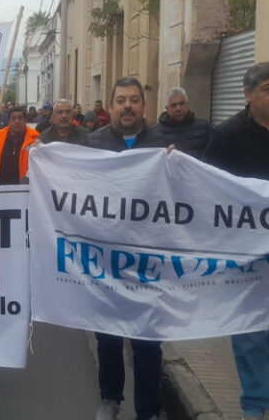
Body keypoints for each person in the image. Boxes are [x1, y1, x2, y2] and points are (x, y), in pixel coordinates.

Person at [86, 77, 168, 420]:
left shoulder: (164, 146)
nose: (128, 106)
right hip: (106, 258)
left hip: (149, 260)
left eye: (134, 100)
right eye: (121, 100)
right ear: (111, 105)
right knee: (108, 336)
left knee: (148, 342)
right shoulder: (92, 144)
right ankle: (111, 397)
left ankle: (148, 409)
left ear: (144, 107)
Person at [202, 63, 269, 420]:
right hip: (245, 252)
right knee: (251, 330)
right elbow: (204, 187)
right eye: (268, 89)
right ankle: (256, 405)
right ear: (248, 94)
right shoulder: (227, 136)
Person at [0, 105, 39, 185]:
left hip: (24, 189)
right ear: (8, 122)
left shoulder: (35, 139)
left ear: (25, 121)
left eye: (20, 118)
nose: (16, 121)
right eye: (13, 118)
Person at [151, 87, 212, 159]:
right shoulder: (155, 133)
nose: (178, 109)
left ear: (187, 104)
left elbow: (213, 156)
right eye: (174, 105)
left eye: (182, 103)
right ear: (167, 108)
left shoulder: (204, 128)